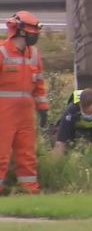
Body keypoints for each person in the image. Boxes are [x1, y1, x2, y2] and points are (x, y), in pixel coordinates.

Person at [0, 11, 48, 195]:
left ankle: (31, 191)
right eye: (32, 31)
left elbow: (39, 84)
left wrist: (42, 108)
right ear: (20, 31)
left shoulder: (34, 54)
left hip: (26, 112)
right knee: (1, 153)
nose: (35, 35)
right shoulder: (2, 52)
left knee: (27, 155)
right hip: (4, 111)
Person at [52, 89, 92, 157]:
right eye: (84, 112)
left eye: (90, 113)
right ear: (80, 105)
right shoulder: (72, 110)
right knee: (60, 138)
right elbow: (60, 142)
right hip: (78, 131)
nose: (87, 115)